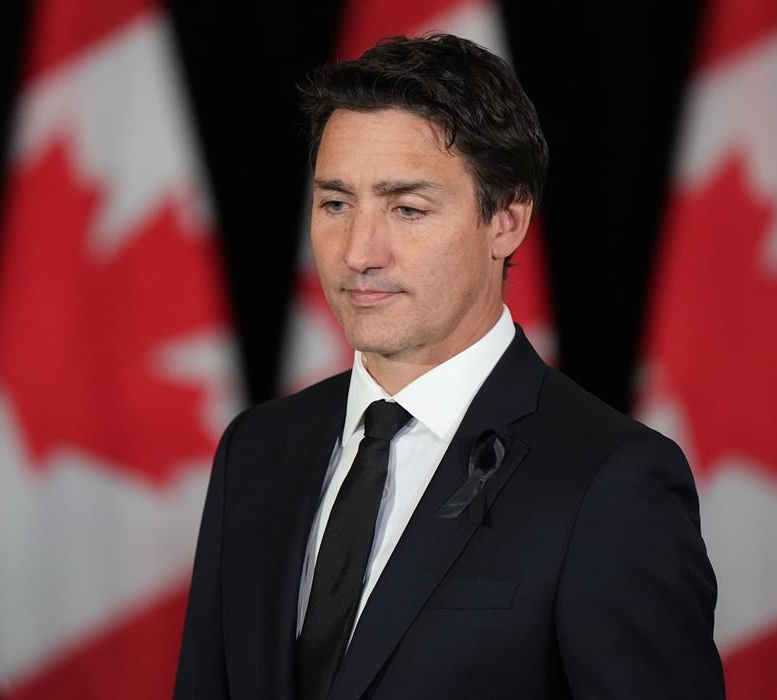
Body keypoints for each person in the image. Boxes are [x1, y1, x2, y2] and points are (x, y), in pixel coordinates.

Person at [175, 34, 724, 700]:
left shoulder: (611, 482)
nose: (359, 253)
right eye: (336, 204)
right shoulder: (256, 451)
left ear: (507, 221)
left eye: (407, 209)